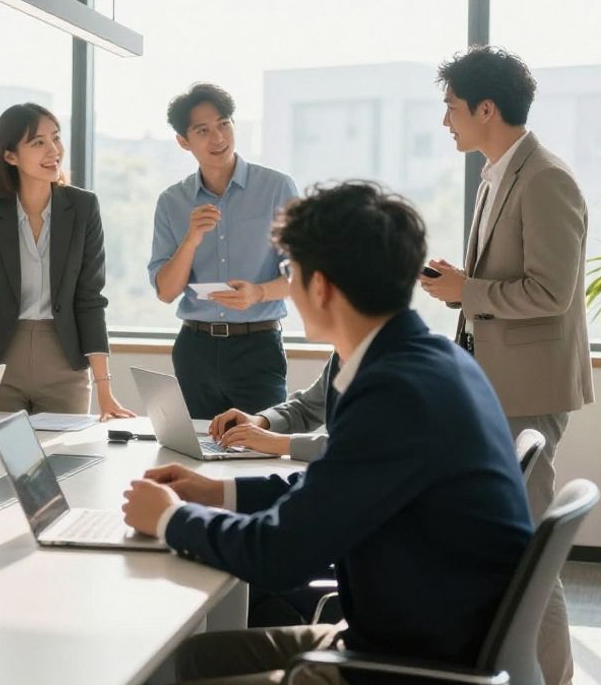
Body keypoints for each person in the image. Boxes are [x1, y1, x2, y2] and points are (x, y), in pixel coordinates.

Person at [123, 182, 533, 684]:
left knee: (171, 675)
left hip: (409, 665)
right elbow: (332, 488)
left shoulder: (395, 391)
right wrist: (219, 492)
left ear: (321, 287)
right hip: (410, 633)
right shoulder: (426, 359)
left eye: (289, 274)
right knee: (187, 661)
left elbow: (278, 556)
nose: (288, 289)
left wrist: (170, 519)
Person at [419, 45, 591, 685]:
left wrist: (471, 292)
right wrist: (460, 286)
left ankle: (552, 678)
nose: (446, 122)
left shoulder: (546, 178)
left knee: (526, 552)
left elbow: (552, 293)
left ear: (486, 108)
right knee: (507, 545)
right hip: (493, 386)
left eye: (452, 108)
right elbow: (500, 282)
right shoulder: (498, 172)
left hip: (527, 390)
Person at [0, 103, 134, 419]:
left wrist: (104, 388)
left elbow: (89, 300)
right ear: (10, 156)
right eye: (38, 142)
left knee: (66, 464)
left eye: (56, 138)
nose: (53, 150)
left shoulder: (84, 208)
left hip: (64, 365)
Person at [148, 83, 298, 419]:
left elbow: (303, 275)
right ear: (184, 141)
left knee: (262, 449)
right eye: (203, 130)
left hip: (257, 347)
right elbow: (165, 292)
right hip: (194, 349)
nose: (218, 138)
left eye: (224, 124)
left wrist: (258, 292)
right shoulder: (172, 202)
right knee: (195, 453)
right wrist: (191, 240)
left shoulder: (276, 187)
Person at [207, 354, 337, 462]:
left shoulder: (354, 361)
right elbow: (306, 407)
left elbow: (353, 445)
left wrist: (277, 442)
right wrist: (260, 421)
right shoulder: (339, 358)